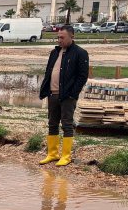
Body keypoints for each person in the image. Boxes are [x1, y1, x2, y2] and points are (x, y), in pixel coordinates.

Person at [37, 25, 89, 166]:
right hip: (52, 94)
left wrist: (73, 94)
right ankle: (52, 154)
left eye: (62, 37)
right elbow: (49, 72)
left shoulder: (80, 53)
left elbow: (82, 76)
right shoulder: (55, 52)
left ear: (72, 37)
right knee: (52, 124)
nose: (59, 40)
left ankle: (66, 156)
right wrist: (45, 90)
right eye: (58, 37)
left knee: (67, 124)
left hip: (67, 96)